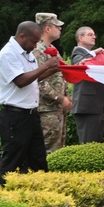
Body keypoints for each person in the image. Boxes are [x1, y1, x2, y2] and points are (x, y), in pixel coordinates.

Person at [0, 21, 61, 186]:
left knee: (38, 159)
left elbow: (33, 78)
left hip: (31, 114)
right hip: (14, 116)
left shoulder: (28, 53)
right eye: (33, 41)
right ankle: (6, 198)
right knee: (14, 160)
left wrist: (54, 70)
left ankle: (41, 196)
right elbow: (21, 80)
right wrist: (46, 65)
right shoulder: (8, 54)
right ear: (21, 36)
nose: (35, 46)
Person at [35, 12, 71, 153]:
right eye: (57, 26)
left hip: (55, 109)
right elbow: (38, 81)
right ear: (47, 29)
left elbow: (59, 75)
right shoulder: (38, 50)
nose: (60, 29)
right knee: (48, 151)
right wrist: (61, 98)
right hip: (46, 110)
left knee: (57, 149)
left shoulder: (52, 50)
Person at [70, 26, 104, 144]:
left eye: (94, 34)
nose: (94, 37)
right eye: (90, 34)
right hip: (86, 106)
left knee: (95, 142)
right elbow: (80, 64)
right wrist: (94, 53)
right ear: (81, 37)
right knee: (88, 143)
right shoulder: (78, 53)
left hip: (94, 105)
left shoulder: (92, 55)